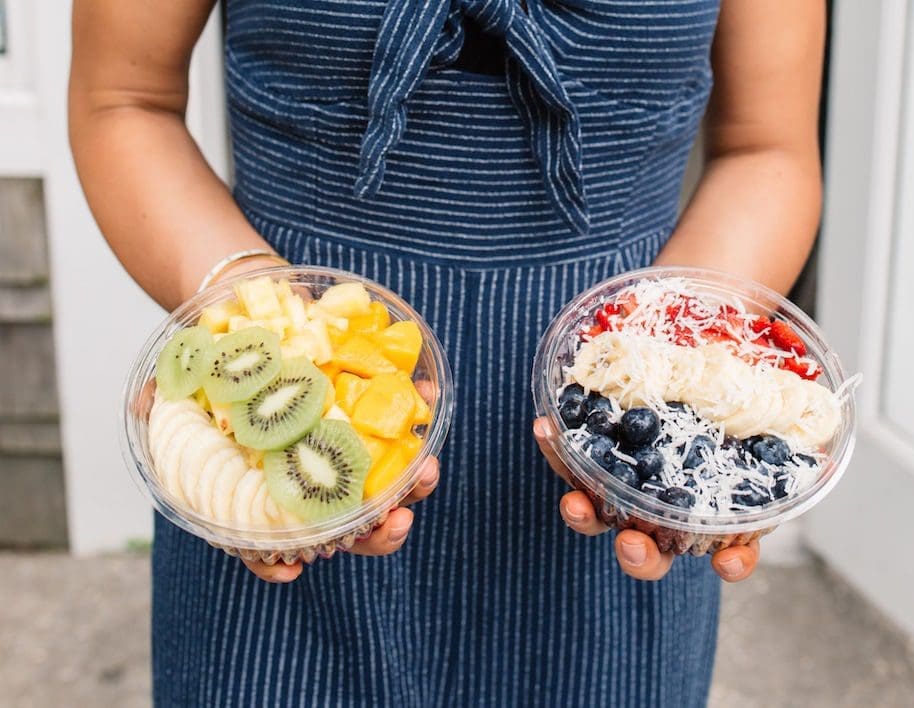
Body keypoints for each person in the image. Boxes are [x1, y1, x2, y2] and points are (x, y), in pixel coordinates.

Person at [69, 1, 824, 704]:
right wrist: (243, 301)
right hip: (289, 438)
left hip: (614, 469)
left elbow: (766, 149)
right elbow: (124, 101)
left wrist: (670, 398)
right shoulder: (278, 417)